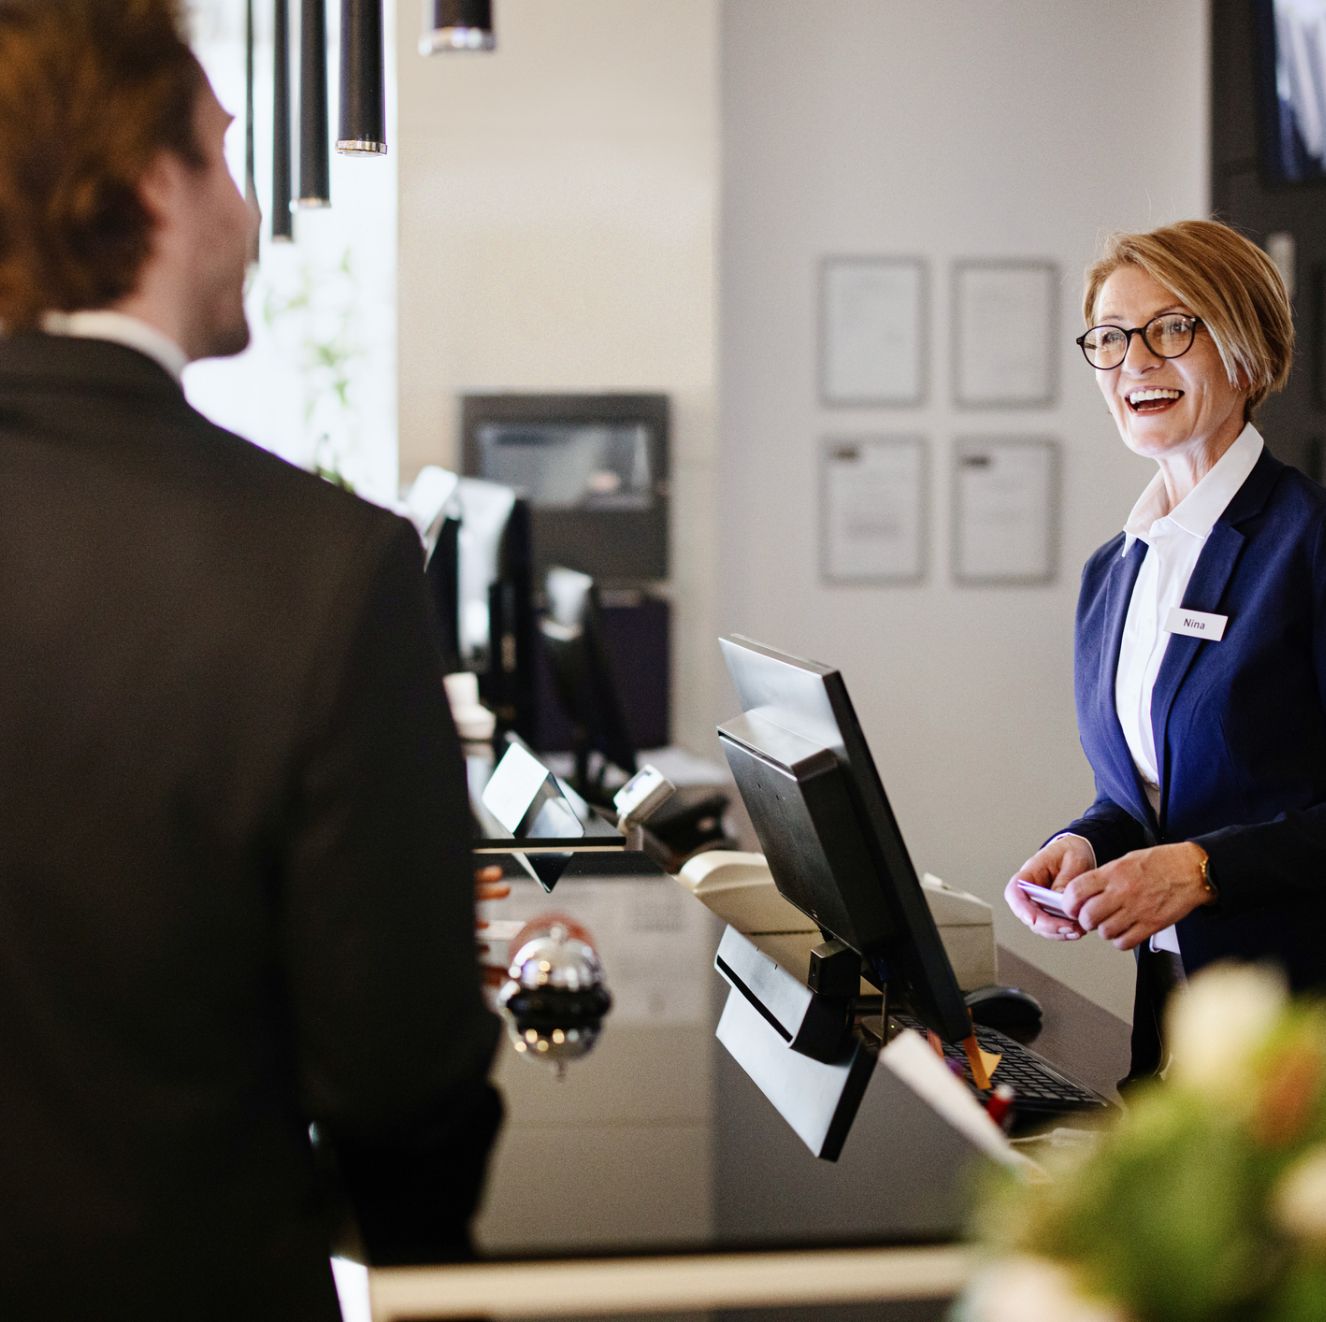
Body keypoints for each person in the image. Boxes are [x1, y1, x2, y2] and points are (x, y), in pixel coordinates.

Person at [0, 2, 500, 1318]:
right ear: (150, 183)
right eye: (223, 154)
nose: (248, 208)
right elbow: (402, 1084)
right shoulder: (323, 566)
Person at [1004, 217, 1319, 1082]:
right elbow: (1144, 795)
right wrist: (1089, 844)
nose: (1135, 360)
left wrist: (1204, 871)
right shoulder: (1118, 569)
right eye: (1110, 338)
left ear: (1246, 349)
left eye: (1172, 328)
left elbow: (1211, 837)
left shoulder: (1310, 545)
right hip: (1175, 1012)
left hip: (1300, 1032)